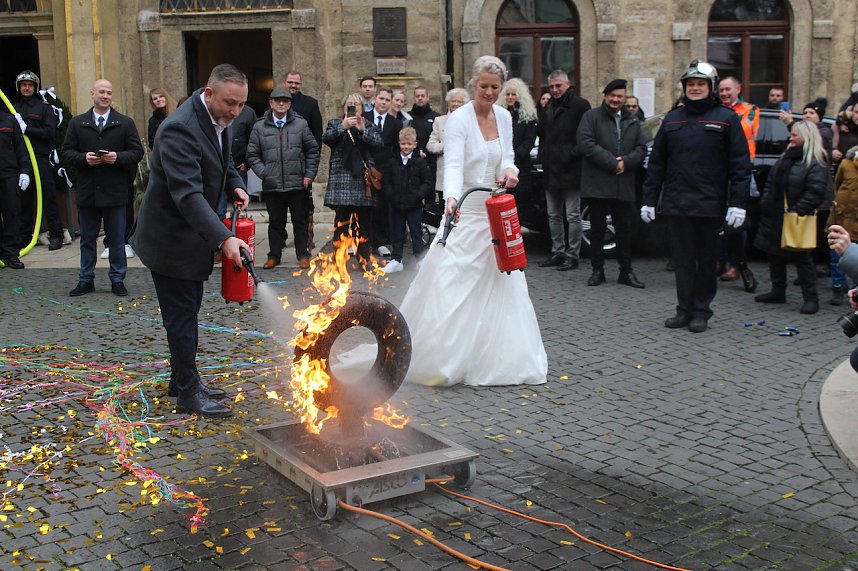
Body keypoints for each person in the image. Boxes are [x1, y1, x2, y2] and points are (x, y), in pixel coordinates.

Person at [336, 55, 547, 386]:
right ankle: (443, 354)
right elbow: (453, 162)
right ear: (473, 85)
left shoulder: (505, 117)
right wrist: (450, 198)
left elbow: (508, 155)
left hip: (493, 209)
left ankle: (494, 355)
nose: (489, 93)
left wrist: (510, 170)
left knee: (501, 280)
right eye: (483, 87)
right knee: (452, 278)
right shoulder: (460, 119)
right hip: (464, 207)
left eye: (495, 87)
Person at [130, 64, 251, 418]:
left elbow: (221, 159)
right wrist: (224, 237)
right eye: (230, 103)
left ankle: (181, 378)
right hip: (171, 239)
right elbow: (187, 195)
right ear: (208, 92)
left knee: (188, 311)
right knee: (182, 317)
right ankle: (187, 392)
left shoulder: (220, 120)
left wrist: (234, 183)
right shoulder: (178, 130)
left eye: (241, 104)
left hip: (192, 236)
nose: (235, 112)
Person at [640, 60, 751, 333]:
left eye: (701, 84)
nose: (696, 88)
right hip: (678, 204)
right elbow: (657, 164)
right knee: (682, 261)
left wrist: (737, 204)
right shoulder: (672, 119)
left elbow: (740, 165)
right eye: (691, 84)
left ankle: (701, 311)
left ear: (710, 87)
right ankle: (683, 310)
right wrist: (649, 199)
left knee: (706, 261)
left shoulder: (726, 118)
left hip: (710, 206)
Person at [62, 78, 144, 297]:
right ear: (92, 94)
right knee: (87, 239)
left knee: (116, 239)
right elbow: (67, 152)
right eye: (101, 92)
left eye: (109, 92)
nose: (105, 96)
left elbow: (137, 152)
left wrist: (117, 157)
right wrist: (83, 158)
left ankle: (117, 279)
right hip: (88, 191)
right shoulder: (78, 123)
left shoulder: (124, 123)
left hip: (115, 191)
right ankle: (86, 279)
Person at [578, 78, 647, 289]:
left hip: (623, 185)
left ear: (624, 98)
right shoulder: (591, 116)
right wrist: (612, 163)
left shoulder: (633, 120)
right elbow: (586, 143)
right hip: (598, 184)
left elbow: (641, 148)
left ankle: (626, 271)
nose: (616, 100)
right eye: (612, 96)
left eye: (620, 96)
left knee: (624, 230)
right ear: (605, 96)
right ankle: (597, 271)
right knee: (597, 231)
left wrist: (626, 162)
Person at [754, 121, 829, 314]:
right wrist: (766, 203)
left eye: (795, 134)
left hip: (795, 217)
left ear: (806, 136)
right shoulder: (786, 157)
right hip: (775, 214)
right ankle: (777, 291)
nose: (791, 137)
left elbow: (816, 191)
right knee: (774, 254)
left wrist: (797, 210)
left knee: (803, 259)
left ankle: (811, 298)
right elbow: (771, 182)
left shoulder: (815, 161)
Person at [246, 86, 320, 270]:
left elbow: (312, 150)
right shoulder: (259, 126)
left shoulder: (300, 124)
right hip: (273, 184)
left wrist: (309, 174)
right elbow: (252, 155)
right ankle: (274, 255)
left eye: (285, 101)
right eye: (277, 100)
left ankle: (302, 254)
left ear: (290, 104)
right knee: (276, 222)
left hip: (297, 183)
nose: (281, 104)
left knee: (299, 221)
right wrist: (265, 173)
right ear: (271, 103)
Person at [537, 69, 591, 271]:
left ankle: (573, 254)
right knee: (553, 215)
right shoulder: (549, 105)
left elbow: (586, 135)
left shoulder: (580, 105)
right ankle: (558, 251)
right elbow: (542, 133)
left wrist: (570, 154)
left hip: (570, 168)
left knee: (573, 215)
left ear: (567, 85)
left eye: (558, 85)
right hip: (552, 168)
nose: (555, 90)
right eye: (551, 87)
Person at [322, 93, 383, 267]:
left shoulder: (369, 125)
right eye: (350, 104)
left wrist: (363, 130)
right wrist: (343, 126)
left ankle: (364, 258)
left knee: (364, 223)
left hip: (363, 181)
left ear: (362, 108)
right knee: (342, 222)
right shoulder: (335, 123)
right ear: (344, 107)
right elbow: (326, 139)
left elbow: (378, 143)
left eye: (356, 104)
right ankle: (339, 259)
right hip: (342, 181)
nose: (353, 107)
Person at [13, 70, 64, 251]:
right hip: (21, 161)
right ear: (19, 87)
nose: (27, 88)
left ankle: (56, 235)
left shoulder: (45, 108)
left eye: (30, 85)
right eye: (23, 85)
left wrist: (27, 130)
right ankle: (24, 237)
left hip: (41, 159)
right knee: (23, 200)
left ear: (35, 87)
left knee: (48, 198)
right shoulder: (13, 108)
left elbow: (50, 134)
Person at [717, 76, 760, 290]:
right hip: (717, 174)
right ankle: (721, 261)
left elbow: (743, 130)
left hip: (739, 173)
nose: (724, 94)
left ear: (738, 89)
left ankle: (739, 266)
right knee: (718, 222)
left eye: (728, 90)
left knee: (738, 223)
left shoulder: (749, 110)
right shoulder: (716, 110)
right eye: (721, 90)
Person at [380, 127, 432, 274]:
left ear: (415, 144)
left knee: (416, 232)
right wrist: (391, 195)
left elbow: (428, 181)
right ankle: (397, 259)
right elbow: (387, 181)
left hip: (414, 205)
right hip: (396, 204)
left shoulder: (420, 162)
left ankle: (420, 259)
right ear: (399, 143)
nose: (406, 147)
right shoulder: (392, 162)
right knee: (397, 232)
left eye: (409, 144)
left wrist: (418, 195)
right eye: (403, 144)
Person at [283, 71, 323, 254]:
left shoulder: (310, 104)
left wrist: (311, 165)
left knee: (304, 207)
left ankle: (307, 239)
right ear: (284, 83)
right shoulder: (278, 101)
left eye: (296, 82)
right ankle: (280, 240)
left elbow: (317, 135)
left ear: (301, 84)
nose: (293, 85)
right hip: (281, 164)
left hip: (303, 164)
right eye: (290, 82)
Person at [364, 87, 402, 257]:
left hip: (385, 172)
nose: (384, 102)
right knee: (365, 207)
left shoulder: (395, 124)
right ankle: (365, 241)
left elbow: (395, 149)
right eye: (381, 98)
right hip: (365, 169)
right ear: (375, 99)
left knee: (382, 208)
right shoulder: (364, 119)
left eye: (387, 99)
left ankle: (381, 241)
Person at [827, 145, 858, 305]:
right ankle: (838, 288)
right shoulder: (846, 164)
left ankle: (856, 290)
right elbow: (837, 185)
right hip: (843, 219)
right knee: (836, 257)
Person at [0, 109, 30, 269]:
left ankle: (11, 253)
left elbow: (21, 148)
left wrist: (25, 171)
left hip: (8, 173)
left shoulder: (9, 120)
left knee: (12, 212)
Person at [426, 88, 469, 201]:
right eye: (453, 101)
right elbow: (430, 145)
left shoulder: (471, 122)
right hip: (445, 178)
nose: (455, 104)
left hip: (466, 177)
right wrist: (447, 146)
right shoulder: (439, 121)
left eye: (459, 102)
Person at [501, 78, 538, 200]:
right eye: (508, 94)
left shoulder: (527, 116)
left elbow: (529, 140)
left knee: (520, 201)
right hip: (501, 165)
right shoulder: (499, 114)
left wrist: (513, 157)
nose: (510, 97)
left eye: (513, 94)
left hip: (521, 164)